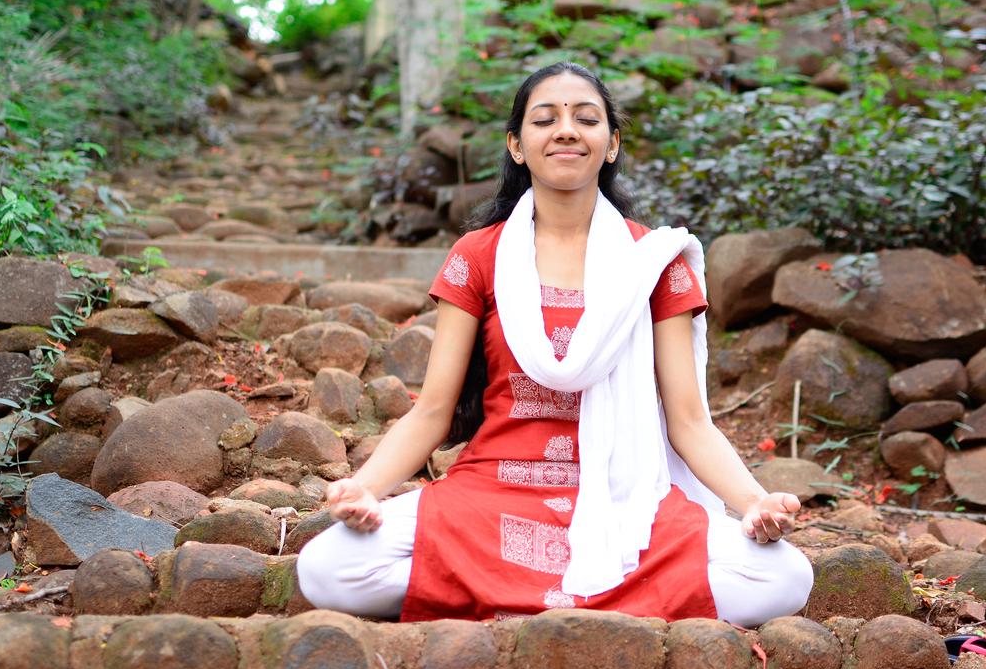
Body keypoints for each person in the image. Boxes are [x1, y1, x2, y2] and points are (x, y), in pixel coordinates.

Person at [297, 62, 814, 626]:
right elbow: (432, 412)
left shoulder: (653, 263)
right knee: (328, 568)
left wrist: (754, 502)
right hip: (492, 491)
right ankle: (613, 606)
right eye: (545, 120)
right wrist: (365, 489)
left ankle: (499, 598)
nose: (566, 130)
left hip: (623, 497)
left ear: (611, 145)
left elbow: (689, 422)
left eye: (586, 119)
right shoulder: (479, 255)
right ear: (517, 146)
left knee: (785, 577)